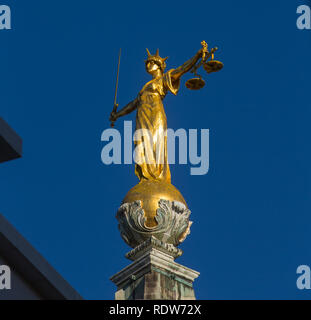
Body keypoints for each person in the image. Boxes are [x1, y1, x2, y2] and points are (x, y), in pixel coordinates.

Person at [110, 43, 207, 184]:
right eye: (147, 63)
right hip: (142, 116)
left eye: (151, 62)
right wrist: (117, 115)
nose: (148, 65)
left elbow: (183, 69)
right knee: (141, 145)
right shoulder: (145, 87)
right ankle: (146, 177)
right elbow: (133, 104)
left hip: (155, 114)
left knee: (156, 143)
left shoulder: (164, 79)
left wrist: (198, 55)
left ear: (159, 65)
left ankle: (157, 176)